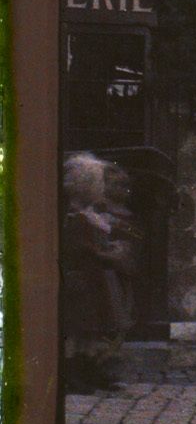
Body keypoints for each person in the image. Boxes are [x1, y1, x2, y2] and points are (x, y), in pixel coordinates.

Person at [61, 152, 131, 392]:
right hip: (85, 279)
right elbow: (85, 250)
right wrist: (110, 254)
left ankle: (91, 370)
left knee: (95, 329)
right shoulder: (78, 218)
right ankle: (74, 373)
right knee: (80, 329)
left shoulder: (91, 214)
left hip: (96, 279)